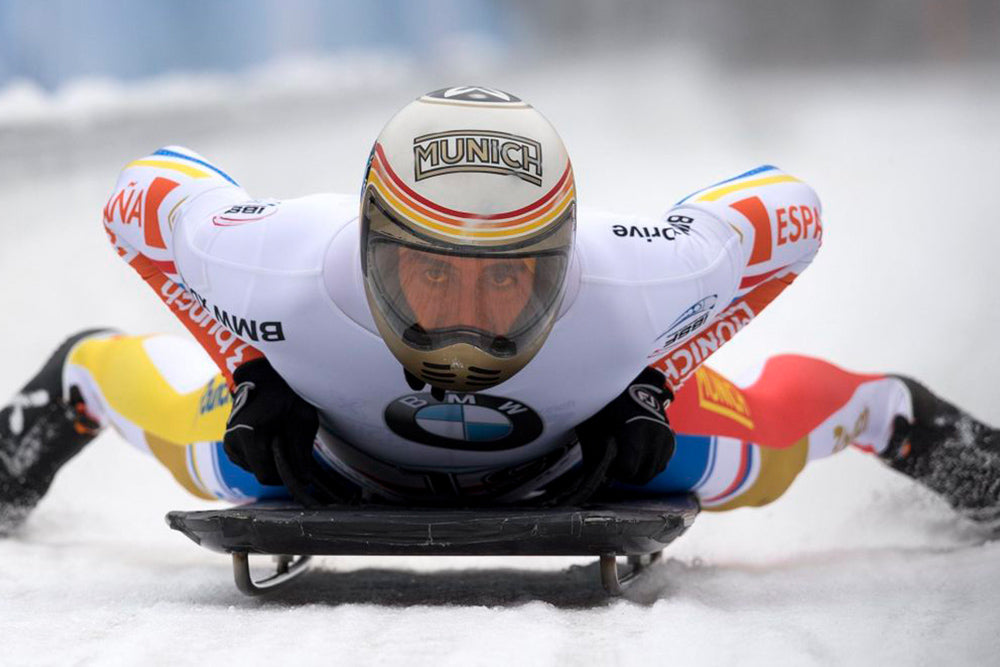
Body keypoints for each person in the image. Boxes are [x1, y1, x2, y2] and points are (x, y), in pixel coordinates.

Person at [2, 86, 998, 534]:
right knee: (177, 426)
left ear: (563, 261)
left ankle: (907, 421)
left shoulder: (629, 282)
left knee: (777, 447)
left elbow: (794, 215)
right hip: (321, 449)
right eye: (431, 271)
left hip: (573, 451)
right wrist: (252, 377)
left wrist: (653, 383)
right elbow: (139, 199)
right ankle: (70, 386)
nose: (467, 319)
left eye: (507, 273)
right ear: (367, 247)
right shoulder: (278, 262)